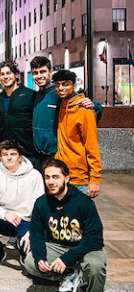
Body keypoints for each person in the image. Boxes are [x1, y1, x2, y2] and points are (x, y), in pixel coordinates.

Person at [25, 159, 107, 292]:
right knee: (31, 262)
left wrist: (66, 258)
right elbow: (37, 234)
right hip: (59, 247)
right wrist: (40, 256)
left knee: (96, 265)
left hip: (85, 248)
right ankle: (71, 273)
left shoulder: (83, 202)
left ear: (67, 178)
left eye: (55, 177)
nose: (51, 182)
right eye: (47, 177)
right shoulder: (41, 203)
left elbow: (95, 239)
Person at [0, 139, 44, 271]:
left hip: (25, 221)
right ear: (0, 157)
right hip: (4, 218)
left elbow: (41, 206)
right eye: (5, 154)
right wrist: (5, 214)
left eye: (13, 154)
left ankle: (24, 248)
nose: (9, 158)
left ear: (20, 157)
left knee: (32, 262)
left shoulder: (34, 175)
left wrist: (32, 231)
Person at [30, 56, 102, 166]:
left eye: (42, 71)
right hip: (38, 155)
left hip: (55, 155)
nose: (39, 76)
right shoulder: (36, 95)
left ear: (50, 72)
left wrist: (94, 106)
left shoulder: (60, 92)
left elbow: (80, 102)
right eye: (35, 73)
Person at [52, 70, 102, 198]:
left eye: (65, 84)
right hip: (61, 176)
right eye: (58, 85)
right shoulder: (61, 106)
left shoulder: (84, 111)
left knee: (79, 217)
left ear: (74, 86)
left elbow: (92, 147)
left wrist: (95, 179)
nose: (61, 88)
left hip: (79, 180)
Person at [0, 60, 38, 167]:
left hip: (27, 150)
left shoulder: (30, 95)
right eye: (2, 74)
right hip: (7, 151)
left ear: (16, 75)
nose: (5, 77)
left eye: (8, 73)